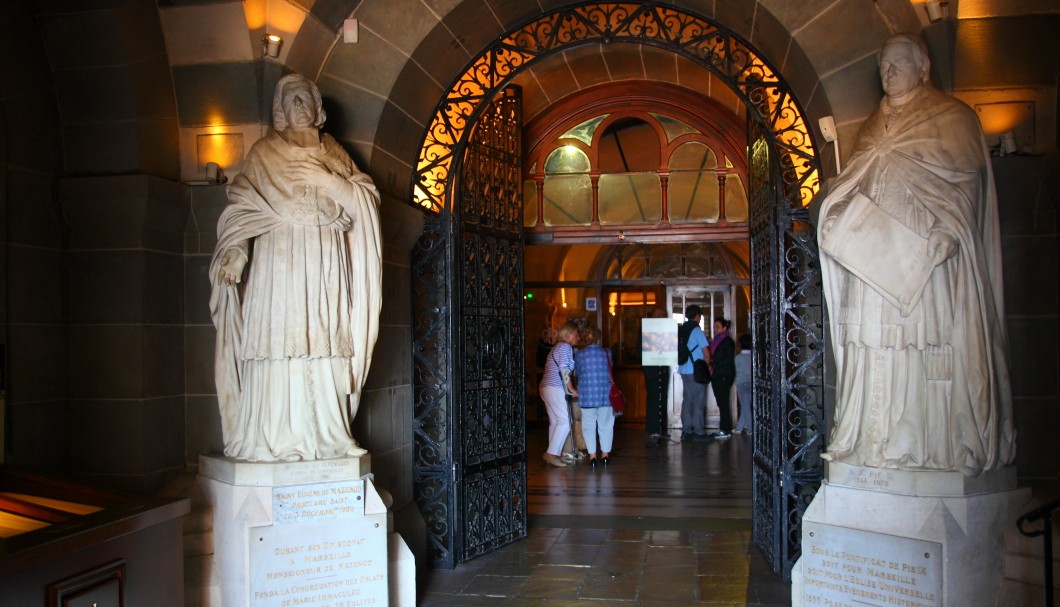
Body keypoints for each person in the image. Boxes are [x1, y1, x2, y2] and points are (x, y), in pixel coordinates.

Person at [818, 33, 1015, 475]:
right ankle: (870, 440)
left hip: (922, 261)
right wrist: (837, 213)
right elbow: (855, 183)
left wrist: (947, 230)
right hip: (873, 262)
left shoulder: (952, 117)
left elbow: (967, 185)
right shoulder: (870, 126)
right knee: (871, 347)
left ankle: (921, 444)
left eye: (898, 64)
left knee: (920, 349)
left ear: (923, 67)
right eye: (884, 66)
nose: (888, 72)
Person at [210, 73, 382, 462]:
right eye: (291, 100)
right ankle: (274, 436)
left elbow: (366, 201)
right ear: (280, 111)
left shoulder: (334, 153)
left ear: (317, 108)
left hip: (325, 265)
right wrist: (236, 250)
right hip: (280, 264)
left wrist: (332, 184)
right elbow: (242, 204)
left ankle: (328, 435)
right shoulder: (264, 153)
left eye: (305, 97)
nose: (299, 105)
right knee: (281, 339)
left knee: (323, 339)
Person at [540, 321, 579, 467]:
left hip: (545, 387)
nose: (578, 337)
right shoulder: (565, 347)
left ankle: (554, 454)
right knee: (565, 422)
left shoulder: (556, 347)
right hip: (554, 387)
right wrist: (571, 389)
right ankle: (551, 453)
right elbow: (564, 369)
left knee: (555, 422)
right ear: (569, 335)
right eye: (576, 334)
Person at [575, 326, 616, 468]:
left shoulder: (579, 355)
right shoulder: (607, 352)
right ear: (598, 338)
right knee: (606, 425)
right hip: (605, 394)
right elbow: (610, 368)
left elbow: (578, 373)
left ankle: (592, 456)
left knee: (588, 426)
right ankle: (605, 455)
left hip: (587, 395)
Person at [677, 305, 710, 441]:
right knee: (698, 401)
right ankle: (698, 432)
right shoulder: (696, 330)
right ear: (696, 315)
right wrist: (705, 367)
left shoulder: (681, 329)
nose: (700, 316)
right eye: (700, 314)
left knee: (687, 400)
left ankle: (686, 431)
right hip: (695, 370)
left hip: (684, 369)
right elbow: (706, 352)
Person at [641, 307, 670, 443]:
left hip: (663, 369)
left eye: (663, 317)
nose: (661, 319)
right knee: (653, 399)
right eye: (659, 316)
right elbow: (639, 350)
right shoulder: (645, 331)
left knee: (662, 398)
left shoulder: (665, 331)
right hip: (651, 369)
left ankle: (660, 428)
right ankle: (653, 429)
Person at [708, 318, 736, 439]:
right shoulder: (716, 341)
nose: (715, 329)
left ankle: (725, 429)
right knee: (721, 402)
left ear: (724, 328)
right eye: (714, 327)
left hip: (723, 374)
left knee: (723, 402)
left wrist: (713, 363)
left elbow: (727, 359)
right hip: (717, 374)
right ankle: (724, 428)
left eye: (717, 327)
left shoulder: (727, 341)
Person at [733, 334, 753, 435]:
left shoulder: (737, 358)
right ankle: (739, 428)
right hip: (751, 383)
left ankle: (750, 428)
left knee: (745, 406)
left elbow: (734, 371)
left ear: (740, 344)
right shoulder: (753, 357)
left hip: (741, 383)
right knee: (746, 405)